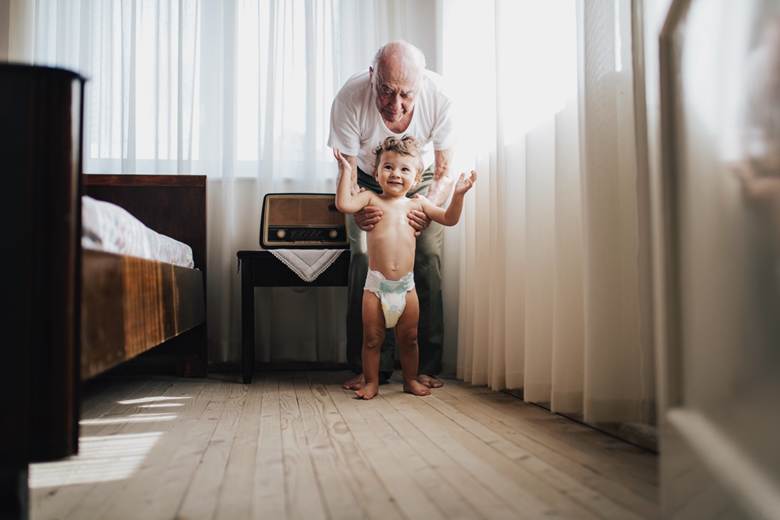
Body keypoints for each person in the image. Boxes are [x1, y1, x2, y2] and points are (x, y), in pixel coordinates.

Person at [328, 40, 455, 390]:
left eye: (406, 95)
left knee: (427, 255)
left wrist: (426, 210)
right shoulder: (349, 98)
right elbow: (347, 168)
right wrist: (357, 209)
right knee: (363, 255)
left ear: (421, 86)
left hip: (421, 178)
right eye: (385, 91)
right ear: (372, 78)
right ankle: (370, 368)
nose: (395, 106)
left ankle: (426, 366)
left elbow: (444, 170)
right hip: (368, 177)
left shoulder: (441, 96)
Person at [334, 136, 476, 399]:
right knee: (372, 340)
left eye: (404, 169)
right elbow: (343, 204)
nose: (395, 174)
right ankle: (372, 382)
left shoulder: (418, 204)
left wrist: (458, 195)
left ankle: (410, 379)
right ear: (376, 173)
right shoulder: (369, 199)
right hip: (376, 287)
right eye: (388, 167)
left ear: (417, 176)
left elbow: (449, 219)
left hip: (406, 289)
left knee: (409, 340)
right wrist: (345, 171)